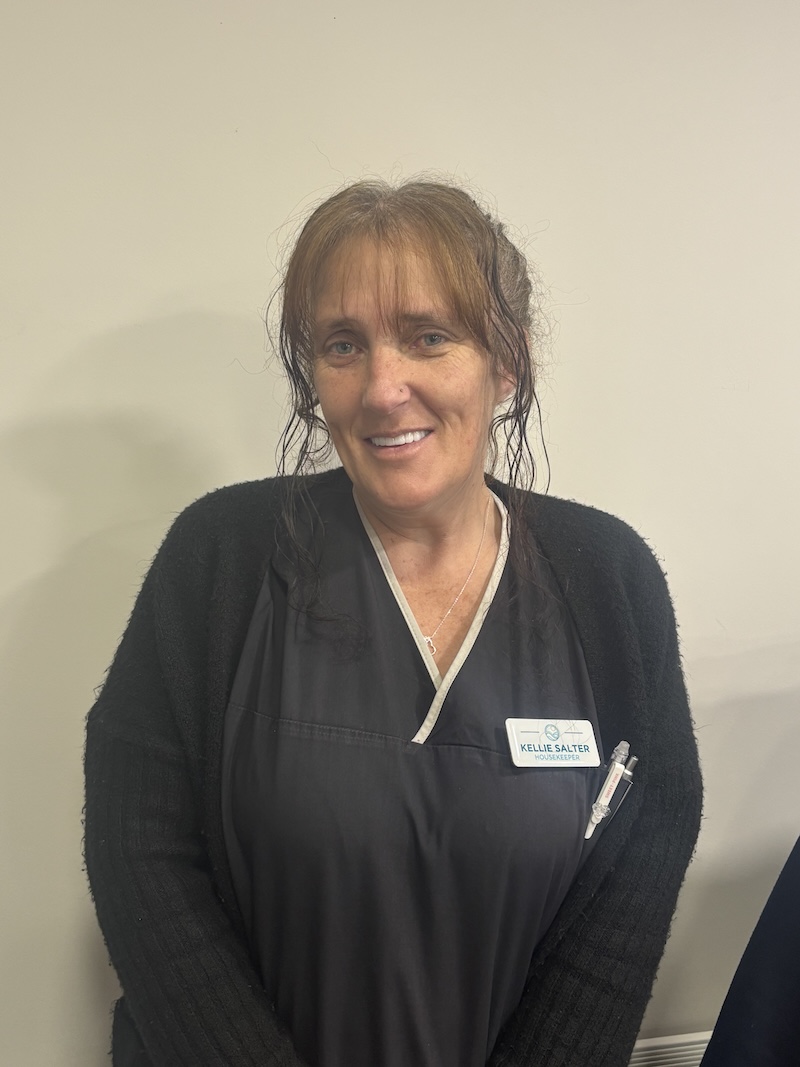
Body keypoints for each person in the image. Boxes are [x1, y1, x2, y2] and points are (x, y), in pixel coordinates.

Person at [84, 179, 702, 1067]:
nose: (383, 387)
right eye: (343, 344)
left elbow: (642, 858)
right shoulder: (219, 558)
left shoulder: (608, 581)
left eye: (428, 336)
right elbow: (139, 849)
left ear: (508, 362)